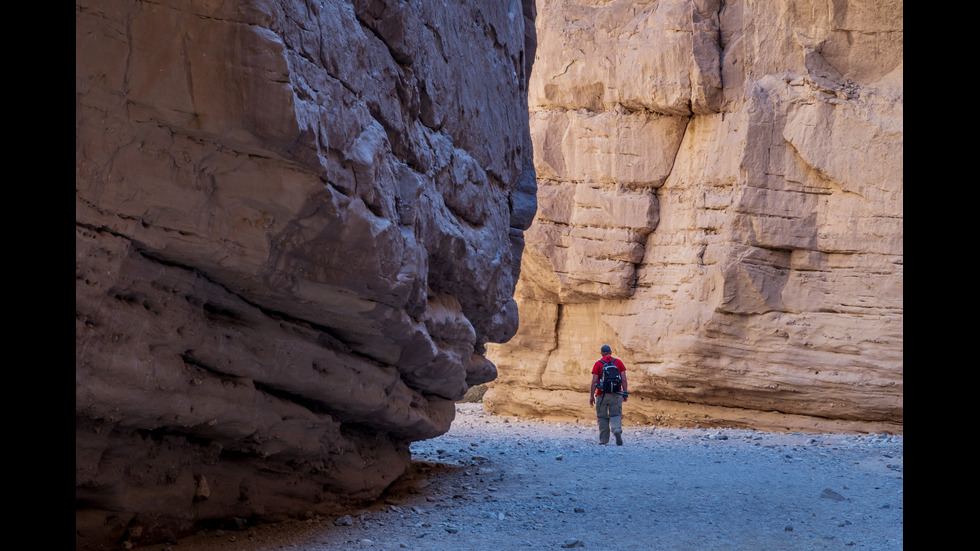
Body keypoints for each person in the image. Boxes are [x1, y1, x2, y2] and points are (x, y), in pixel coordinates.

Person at [589, 344, 628, 445]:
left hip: (602, 394)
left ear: (602, 354)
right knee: (615, 414)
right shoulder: (618, 362)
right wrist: (625, 393)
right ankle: (616, 430)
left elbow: (594, 381)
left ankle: (604, 440)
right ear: (610, 352)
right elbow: (623, 379)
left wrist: (591, 396)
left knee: (602, 417)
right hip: (616, 394)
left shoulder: (598, 364)